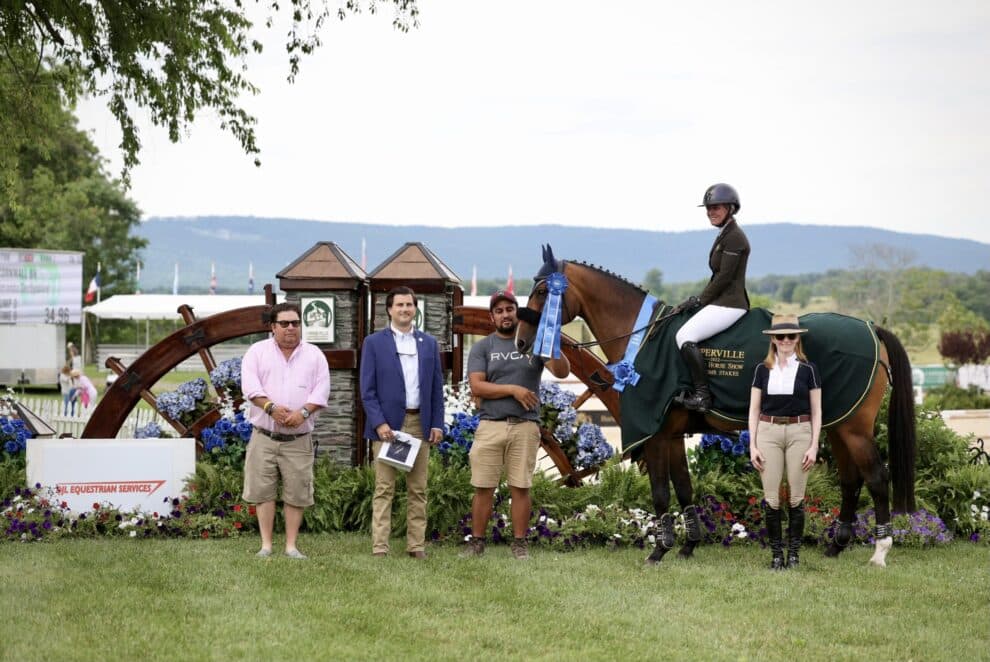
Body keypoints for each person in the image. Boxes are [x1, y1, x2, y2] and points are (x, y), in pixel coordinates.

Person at [461, 291, 570, 560]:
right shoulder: (483, 347)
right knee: (483, 487)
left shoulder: (534, 344)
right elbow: (477, 386)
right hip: (490, 425)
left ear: (517, 312)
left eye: (509, 309)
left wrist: (551, 339)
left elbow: (562, 371)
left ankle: (520, 544)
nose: (505, 314)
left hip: (525, 426)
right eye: (499, 311)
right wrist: (513, 390)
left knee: (521, 487)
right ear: (492, 317)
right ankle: (477, 542)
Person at [360, 286, 444, 559]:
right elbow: (367, 391)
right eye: (400, 305)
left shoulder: (429, 343)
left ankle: (416, 546)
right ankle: (380, 547)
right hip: (388, 427)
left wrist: (437, 423)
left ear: (415, 308)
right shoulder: (374, 343)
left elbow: (436, 389)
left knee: (418, 489)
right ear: (389, 309)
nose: (405, 309)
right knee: (384, 488)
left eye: (409, 304)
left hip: (420, 423)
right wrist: (379, 424)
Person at [241, 302, 330, 560]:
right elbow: (250, 386)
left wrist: (302, 413)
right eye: (284, 323)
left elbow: (322, 390)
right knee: (263, 490)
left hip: (299, 437)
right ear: (273, 327)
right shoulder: (256, 352)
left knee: (297, 491)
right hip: (264, 435)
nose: (291, 328)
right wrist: (270, 408)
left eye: (295, 323)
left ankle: (291, 546)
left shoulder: (315, 355)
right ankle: (266, 545)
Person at [747, 314, 822, 570]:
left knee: (796, 498)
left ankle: (794, 555)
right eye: (781, 336)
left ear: (797, 338)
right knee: (771, 498)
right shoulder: (761, 370)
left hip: (800, 431)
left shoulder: (809, 369)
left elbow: (817, 411)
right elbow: (754, 410)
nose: (786, 340)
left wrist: (814, 445)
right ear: (773, 340)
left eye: (791, 336)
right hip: (768, 433)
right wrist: (752, 445)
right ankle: (777, 556)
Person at [675, 183, 751, 412]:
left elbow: (725, 278)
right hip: (721, 300)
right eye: (708, 208)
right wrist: (697, 300)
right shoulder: (724, 234)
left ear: (730, 208)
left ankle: (703, 397)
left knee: (685, 336)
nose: (711, 212)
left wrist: (700, 300)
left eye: (716, 207)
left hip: (731, 303)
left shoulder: (735, 237)